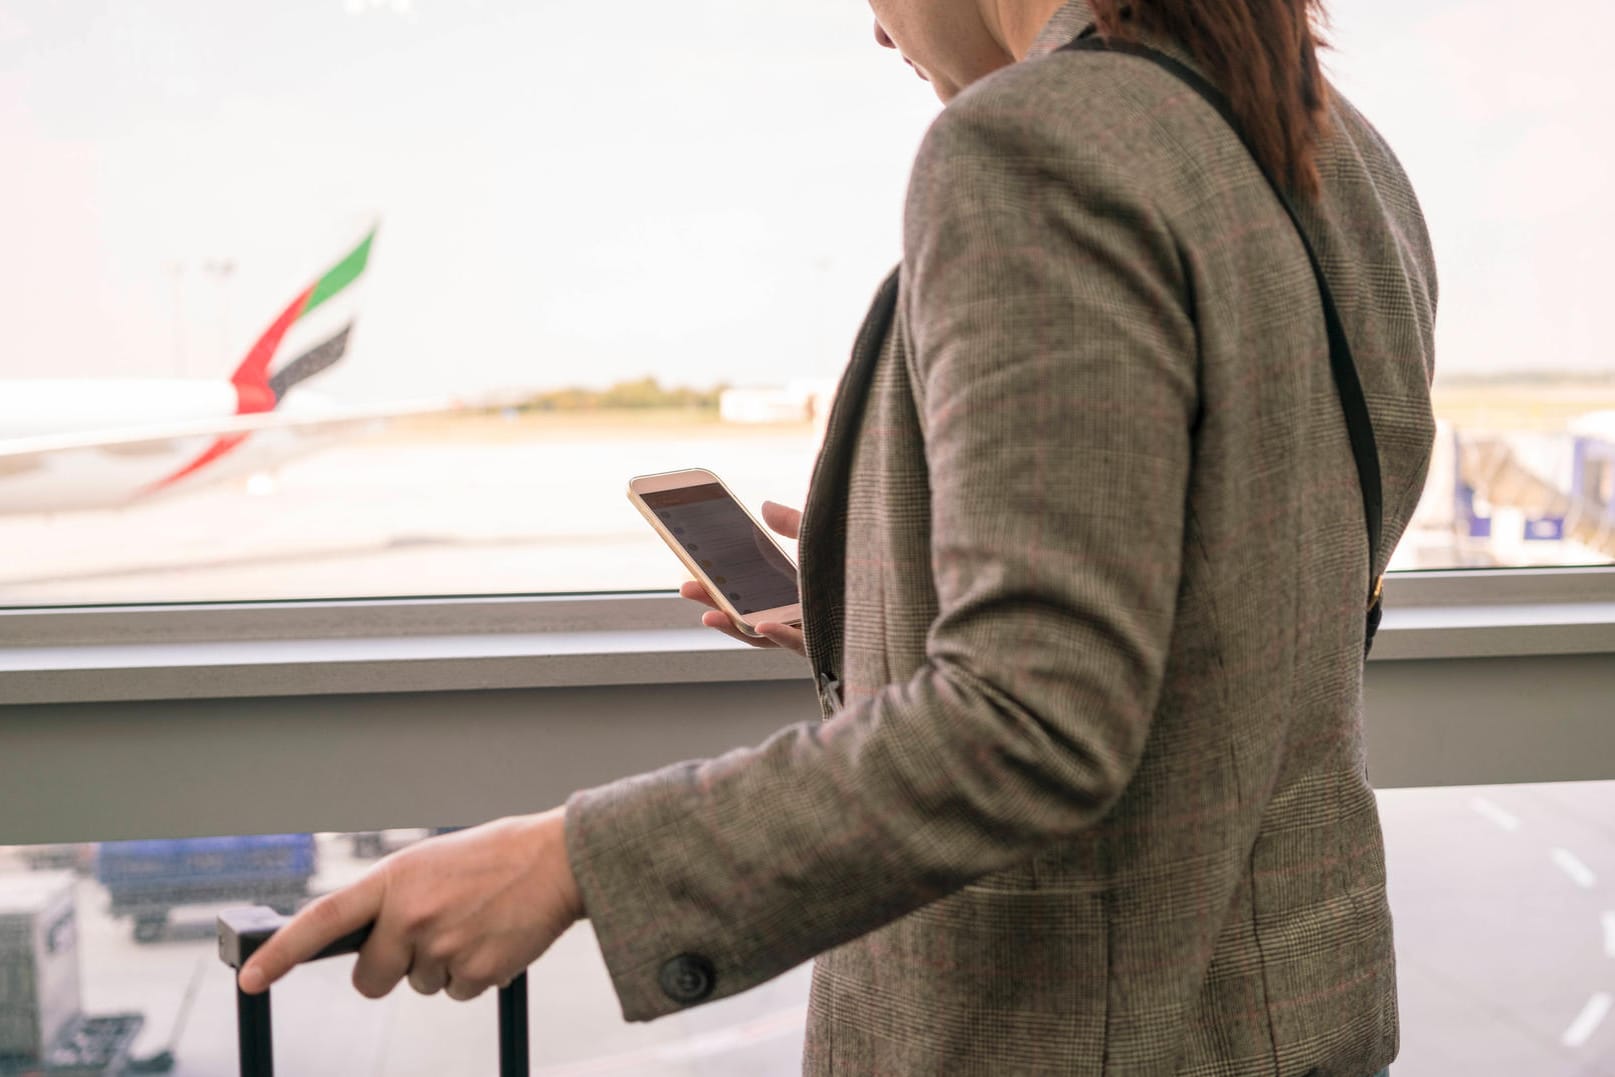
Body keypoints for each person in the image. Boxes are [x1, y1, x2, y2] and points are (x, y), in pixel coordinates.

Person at [242, 1, 1435, 1073]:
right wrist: (904, 596)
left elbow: (1034, 724)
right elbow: (1275, 560)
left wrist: (566, 863)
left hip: (1070, 1030)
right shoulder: (1327, 142)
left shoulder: (1039, 145)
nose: (876, 31)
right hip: (1282, 1010)